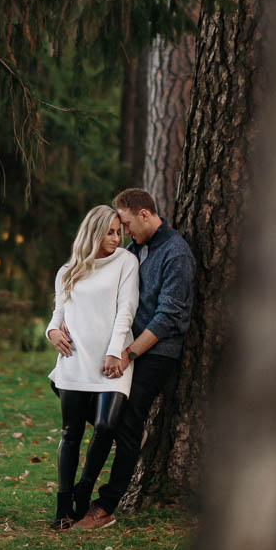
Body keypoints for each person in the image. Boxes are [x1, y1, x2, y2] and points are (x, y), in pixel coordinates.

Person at [71, 188, 195, 530]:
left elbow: (169, 316)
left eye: (125, 224)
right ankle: (81, 491)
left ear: (144, 214)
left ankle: (105, 506)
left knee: (126, 419)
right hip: (124, 349)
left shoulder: (176, 253)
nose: (123, 232)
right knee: (98, 413)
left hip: (155, 352)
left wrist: (129, 353)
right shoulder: (132, 251)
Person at [45, 205, 140, 530]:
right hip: (75, 359)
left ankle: (84, 491)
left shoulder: (126, 261)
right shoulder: (68, 270)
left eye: (118, 231)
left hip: (112, 362)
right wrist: (52, 332)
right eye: (109, 232)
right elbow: (59, 314)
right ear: (93, 233)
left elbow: (126, 309)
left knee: (105, 426)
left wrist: (115, 352)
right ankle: (63, 507)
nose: (116, 238)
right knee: (70, 433)